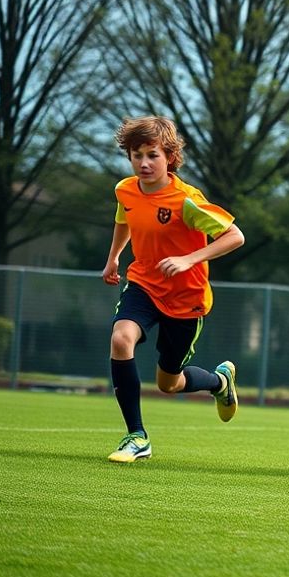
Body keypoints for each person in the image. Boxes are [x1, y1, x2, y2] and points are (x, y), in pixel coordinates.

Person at [102, 116, 245, 464]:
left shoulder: (185, 200)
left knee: (169, 383)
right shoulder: (125, 190)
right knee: (121, 339)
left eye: (152, 155)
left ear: (170, 157)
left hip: (185, 299)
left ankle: (218, 383)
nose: (144, 163)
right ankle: (137, 436)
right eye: (137, 155)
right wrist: (114, 258)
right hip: (143, 284)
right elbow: (124, 219)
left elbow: (235, 236)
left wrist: (189, 259)